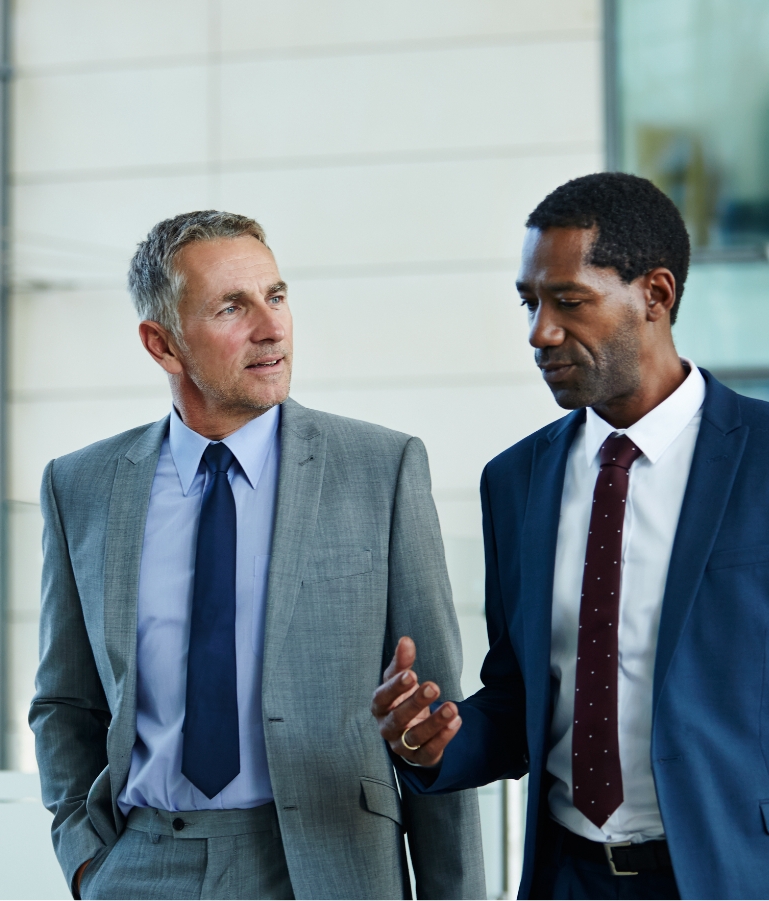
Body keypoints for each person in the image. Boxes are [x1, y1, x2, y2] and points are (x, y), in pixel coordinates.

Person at [372, 173, 769, 899]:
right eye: (530, 304)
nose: (540, 332)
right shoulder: (515, 481)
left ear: (655, 294)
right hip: (570, 879)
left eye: (568, 302)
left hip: (744, 880)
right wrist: (436, 740)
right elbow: (521, 698)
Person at [31, 210, 483, 900]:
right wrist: (87, 857)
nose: (271, 328)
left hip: (328, 866)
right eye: (231, 307)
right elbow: (65, 700)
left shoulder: (380, 469)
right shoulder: (81, 486)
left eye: (275, 296)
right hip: (143, 864)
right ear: (163, 343)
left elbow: (434, 714)